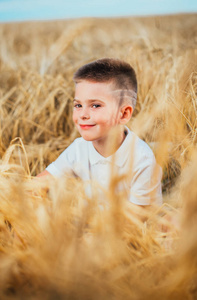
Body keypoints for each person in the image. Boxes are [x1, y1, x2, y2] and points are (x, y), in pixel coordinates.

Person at [38, 58, 162, 206]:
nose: (83, 114)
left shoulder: (141, 160)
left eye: (95, 105)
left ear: (123, 114)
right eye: (78, 105)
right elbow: (38, 184)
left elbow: (135, 222)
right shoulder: (79, 148)